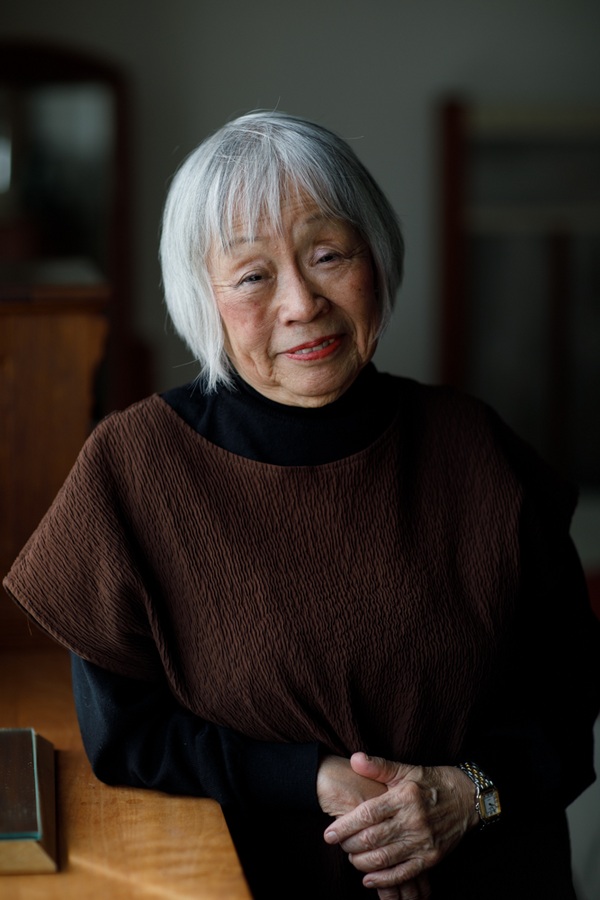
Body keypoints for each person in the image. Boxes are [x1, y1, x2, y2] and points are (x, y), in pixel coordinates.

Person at [4, 111, 600, 900]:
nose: (301, 303)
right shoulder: (135, 466)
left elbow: (566, 703)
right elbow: (127, 736)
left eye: (328, 255)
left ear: (375, 258)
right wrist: (314, 778)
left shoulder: (477, 448)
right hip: (250, 880)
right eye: (253, 275)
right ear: (204, 296)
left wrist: (462, 797)